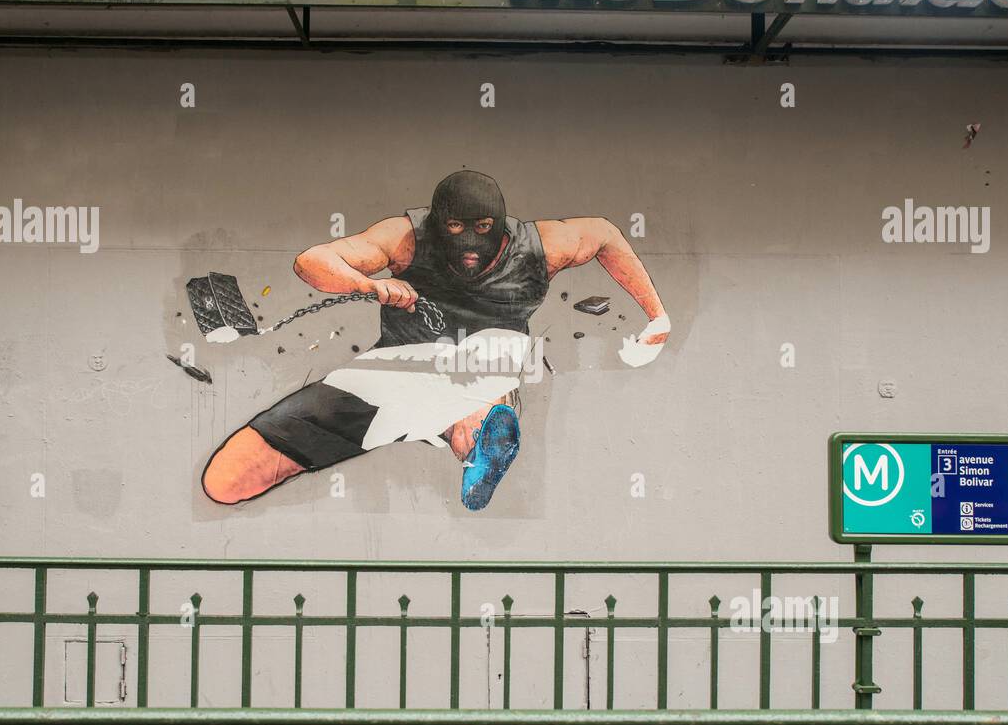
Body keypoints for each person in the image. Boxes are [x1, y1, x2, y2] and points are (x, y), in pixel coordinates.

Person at [202, 169, 670, 510]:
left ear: (501, 225)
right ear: (436, 223)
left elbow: (607, 236)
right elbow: (314, 260)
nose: (469, 243)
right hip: (401, 366)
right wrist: (371, 284)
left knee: (479, 372)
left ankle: (478, 440)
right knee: (227, 481)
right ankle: (462, 430)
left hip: (490, 356)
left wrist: (657, 316)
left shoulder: (544, 245)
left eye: (483, 230)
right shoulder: (405, 238)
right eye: (454, 229)